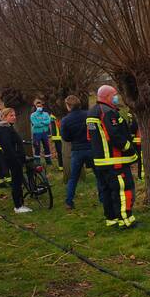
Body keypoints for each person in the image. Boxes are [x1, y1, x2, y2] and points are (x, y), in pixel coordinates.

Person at [87, 85, 138, 229]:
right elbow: (115, 136)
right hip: (115, 161)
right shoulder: (108, 112)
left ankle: (111, 218)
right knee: (123, 189)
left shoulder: (92, 112)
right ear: (108, 96)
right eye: (114, 95)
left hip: (100, 161)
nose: (116, 97)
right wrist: (130, 149)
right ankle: (126, 220)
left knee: (107, 191)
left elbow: (89, 137)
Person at [61, 95, 102, 210]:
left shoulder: (65, 120)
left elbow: (65, 137)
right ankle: (103, 198)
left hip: (77, 151)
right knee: (99, 175)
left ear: (68, 106)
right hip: (91, 148)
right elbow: (94, 130)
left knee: (73, 177)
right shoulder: (88, 115)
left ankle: (69, 202)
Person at [0, 108, 31, 214]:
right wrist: (16, 159)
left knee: (18, 181)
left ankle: (21, 203)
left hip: (17, 158)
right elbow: (7, 147)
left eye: (14, 115)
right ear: (4, 117)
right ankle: (18, 206)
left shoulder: (9, 127)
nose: (14, 117)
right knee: (16, 182)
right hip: (13, 159)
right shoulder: (3, 129)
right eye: (11, 115)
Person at [30, 99, 53, 165]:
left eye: (40, 106)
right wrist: (44, 123)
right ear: (36, 107)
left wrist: (41, 122)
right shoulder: (33, 115)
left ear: (42, 106)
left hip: (44, 132)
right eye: (38, 106)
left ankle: (48, 161)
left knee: (46, 146)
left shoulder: (46, 114)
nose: (39, 107)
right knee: (37, 146)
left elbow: (48, 121)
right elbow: (35, 124)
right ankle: (37, 161)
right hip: (36, 133)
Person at [123, 109, 143, 180]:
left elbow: (131, 125)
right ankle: (141, 177)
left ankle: (139, 176)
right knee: (141, 159)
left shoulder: (131, 111)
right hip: (138, 139)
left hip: (134, 139)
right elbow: (133, 125)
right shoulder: (137, 110)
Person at [48, 106, 64, 171]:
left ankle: (63, 166)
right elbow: (58, 125)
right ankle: (61, 166)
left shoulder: (59, 115)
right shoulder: (53, 117)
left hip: (60, 136)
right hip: (57, 137)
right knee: (60, 152)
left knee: (61, 152)